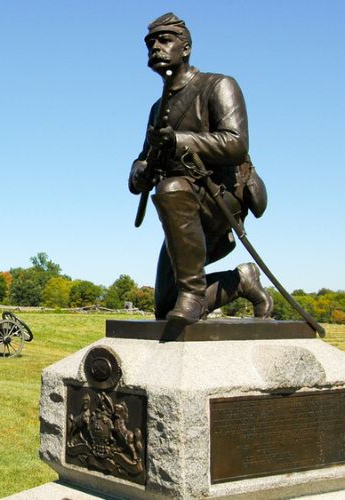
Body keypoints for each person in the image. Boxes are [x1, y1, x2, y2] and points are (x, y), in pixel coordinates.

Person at [128, 13, 273, 324]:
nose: (156, 46)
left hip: (219, 196)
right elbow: (144, 156)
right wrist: (139, 172)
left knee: (171, 188)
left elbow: (236, 143)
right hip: (181, 207)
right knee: (165, 307)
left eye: (165, 40)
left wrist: (179, 141)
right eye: (150, 42)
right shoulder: (158, 108)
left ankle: (193, 294)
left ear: (186, 47)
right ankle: (241, 281)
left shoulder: (218, 85)